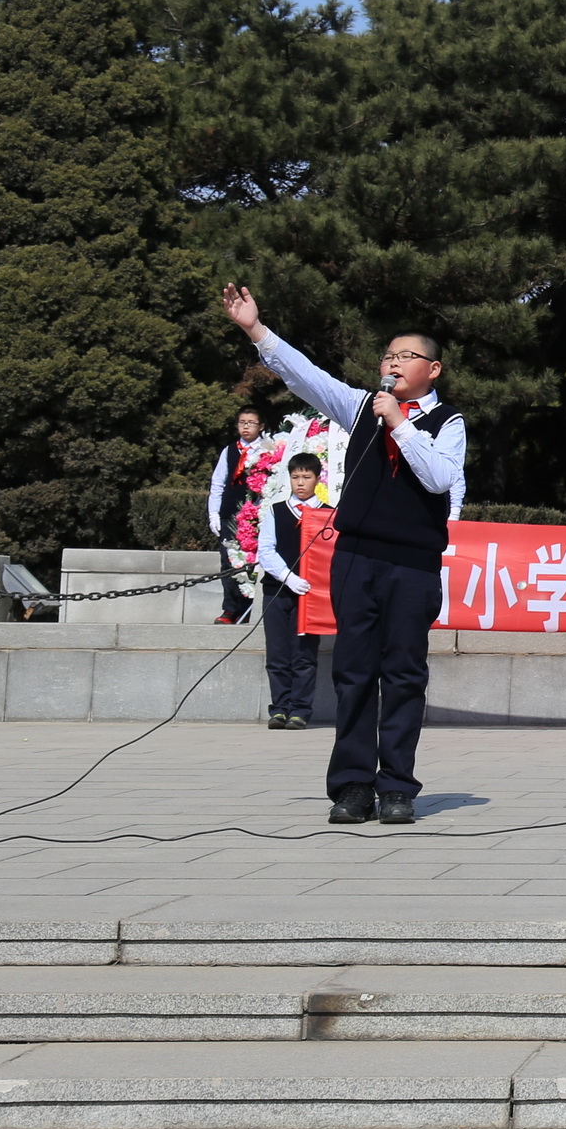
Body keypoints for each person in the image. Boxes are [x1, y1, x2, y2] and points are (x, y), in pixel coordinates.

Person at [222, 283, 466, 826]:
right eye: (389, 355)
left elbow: (439, 479)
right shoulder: (359, 407)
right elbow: (304, 375)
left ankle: (398, 786)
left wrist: (400, 423)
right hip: (355, 558)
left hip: (411, 565)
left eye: (408, 356)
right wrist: (255, 329)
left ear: (434, 369)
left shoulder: (447, 422)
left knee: (404, 675)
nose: (395, 363)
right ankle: (352, 786)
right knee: (353, 673)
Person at [253, 452, 330, 730]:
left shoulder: (327, 513)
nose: (300, 482)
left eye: (306, 477)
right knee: (278, 653)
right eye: (296, 477)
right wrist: (287, 577)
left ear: (317, 479)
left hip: (310, 594)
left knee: (304, 654)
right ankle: (280, 707)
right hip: (278, 590)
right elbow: (266, 550)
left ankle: (300, 709)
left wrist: (309, 582)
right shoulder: (277, 510)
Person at [207, 405, 269, 624]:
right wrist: (214, 513)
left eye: (251, 423)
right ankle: (230, 609)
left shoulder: (268, 450)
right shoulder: (230, 450)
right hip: (231, 515)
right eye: (242, 422)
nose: (246, 427)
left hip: (256, 516)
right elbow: (218, 483)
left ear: (261, 426)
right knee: (229, 562)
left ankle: (248, 609)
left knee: (252, 563)